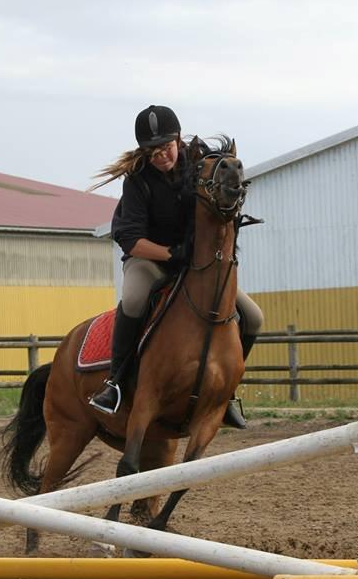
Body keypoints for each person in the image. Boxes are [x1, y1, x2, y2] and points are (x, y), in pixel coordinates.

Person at [87, 105, 263, 428]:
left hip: (194, 264)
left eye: (166, 148)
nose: (161, 157)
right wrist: (171, 253)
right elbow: (131, 240)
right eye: (153, 152)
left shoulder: (196, 164)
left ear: (179, 140)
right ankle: (114, 383)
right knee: (136, 299)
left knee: (253, 317)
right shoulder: (137, 181)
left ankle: (225, 392)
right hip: (150, 259)